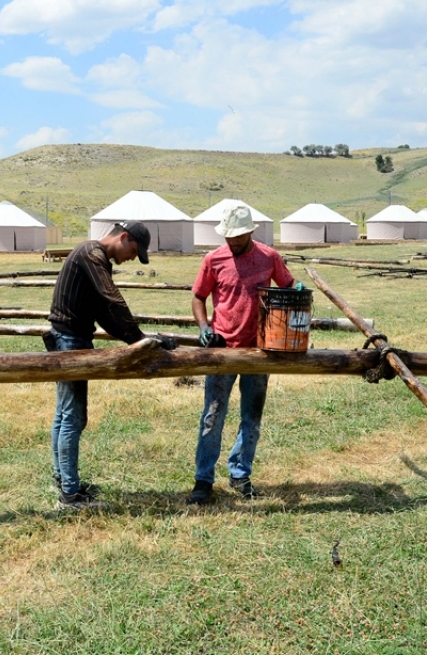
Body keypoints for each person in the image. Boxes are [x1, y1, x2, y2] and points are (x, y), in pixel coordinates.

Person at [47, 220, 176, 510]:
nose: (132, 257)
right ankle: (69, 495)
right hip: (70, 340)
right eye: (134, 250)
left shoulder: (92, 256)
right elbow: (113, 302)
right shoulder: (93, 255)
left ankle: (64, 479)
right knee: (73, 417)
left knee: (64, 414)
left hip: (68, 336)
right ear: (124, 237)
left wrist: (135, 342)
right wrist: (140, 338)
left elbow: (104, 314)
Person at [188, 204, 298, 504]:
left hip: (260, 349)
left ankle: (240, 474)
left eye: (237, 237)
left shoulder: (269, 257)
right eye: (228, 237)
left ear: (251, 231)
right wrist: (203, 325)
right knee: (213, 415)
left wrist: (297, 292)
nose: (232, 242)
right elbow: (198, 297)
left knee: (252, 416)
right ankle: (203, 479)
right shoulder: (214, 259)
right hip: (222, 349)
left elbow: (289, 287)